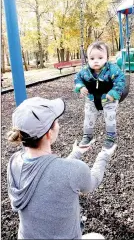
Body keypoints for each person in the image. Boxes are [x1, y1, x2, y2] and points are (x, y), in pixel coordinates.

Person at [7, 97, 117, 240]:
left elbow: (51, 172)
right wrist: (104, 155)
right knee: (98, 237)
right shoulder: (73, 170)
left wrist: (76, 152)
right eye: (56, 122)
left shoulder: (14, 161)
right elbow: (92, 182)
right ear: (49, 133)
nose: (59, 125)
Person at [74, 41, 126, 149]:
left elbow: (121, 80)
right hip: (91, 99)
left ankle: (110, 136)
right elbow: (77, 79)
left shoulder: (113, 69)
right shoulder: (84, 71)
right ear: (87, 59)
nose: (96, 61)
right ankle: (87, 136)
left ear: (107, 58)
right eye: (92, 58)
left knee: (110, 116)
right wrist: (81, 87)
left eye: (100, 58)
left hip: (108, 98)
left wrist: (114, 93)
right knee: (88, 116)